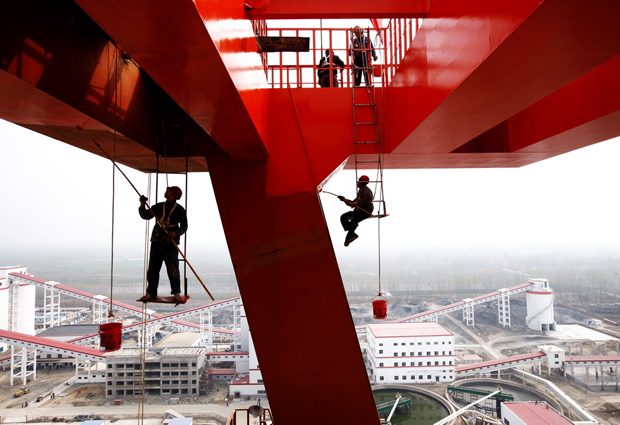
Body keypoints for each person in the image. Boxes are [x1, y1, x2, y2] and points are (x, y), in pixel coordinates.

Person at [138, 186, 188, 302]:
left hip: (170, 242)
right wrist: (142, 204)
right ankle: (151, 292)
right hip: (157, 240)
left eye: (169, 191)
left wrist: (175, 234)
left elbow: (184, 227)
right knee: (153, 269)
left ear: (175, 195)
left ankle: (176, 293)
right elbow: (145, 215)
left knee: (173, 269)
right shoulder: (159, 206)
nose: (166, 192)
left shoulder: (180, 210)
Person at [339, 175, 374, 246]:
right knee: (343, 217)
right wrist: (344, 200)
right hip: (358, 211)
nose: (357, 183)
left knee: (354, 221)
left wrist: (356, 203)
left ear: (361, 182)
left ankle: (349, 236)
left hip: (365, 211)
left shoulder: (366, 190)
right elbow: (352, 203)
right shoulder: (360, 192)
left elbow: (368, 199)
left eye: (358, 182)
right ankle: (351, 233)